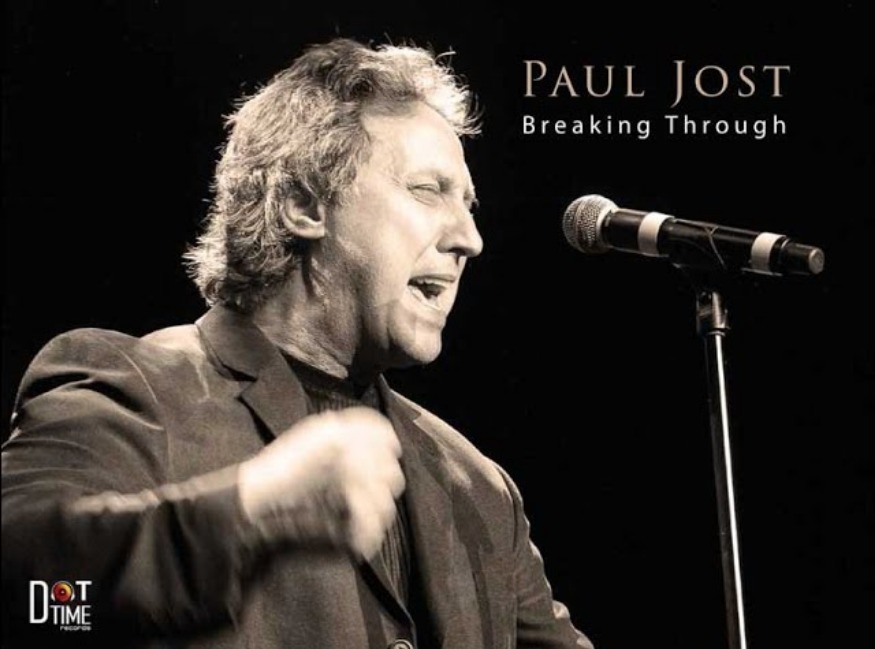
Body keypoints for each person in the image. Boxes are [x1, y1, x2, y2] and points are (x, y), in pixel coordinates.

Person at [2, 38, 593, 648]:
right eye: (427, 190)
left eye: (469, 205)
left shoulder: (480, 487)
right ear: (303, 204)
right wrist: (252, 512)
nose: (470, 238)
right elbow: (25, 591)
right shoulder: (135, 386)